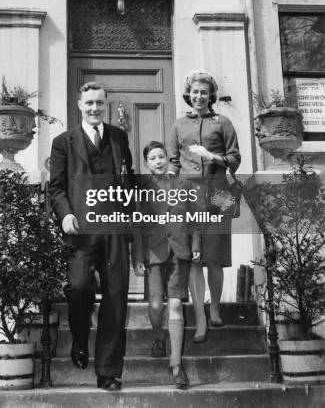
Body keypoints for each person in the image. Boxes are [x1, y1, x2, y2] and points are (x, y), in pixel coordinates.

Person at [49, 81, 133, 391]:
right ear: (79, 105)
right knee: (80, 286)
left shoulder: (119, 138)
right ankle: (81, 337)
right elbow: (55, 187)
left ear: (105, 103)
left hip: (114, 230)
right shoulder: (63, 142)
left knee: (115, 299)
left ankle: (108, 372)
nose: (95, 108)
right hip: (80, 231)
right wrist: (65, 214)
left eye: (99, 102)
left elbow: (127, 181)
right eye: (89, 103)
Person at [168, 71, 241, 343]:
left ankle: (215, 306)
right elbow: (174, 162)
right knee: (194, 257)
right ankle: (200, 318)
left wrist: (212, 156)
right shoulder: (178, 125)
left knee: (214, 256)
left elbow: (235, 159)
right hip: (188, 197)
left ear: (211, 95)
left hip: (219, 195)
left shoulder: (223, 122)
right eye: (195, 92)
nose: (199, 96)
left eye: (204, 92)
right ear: (189, 95)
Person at [132, 141, 201, 389]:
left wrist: (195, 246)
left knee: (174, 305)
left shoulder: (183, 185)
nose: (158, 161)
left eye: (161, 156)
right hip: (153, 252)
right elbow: (137, 225)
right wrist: (137, 257)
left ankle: (176, 365)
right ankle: (158, 335)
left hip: (178, 251)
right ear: (147, 163)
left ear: (167, 160)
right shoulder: (142, 188)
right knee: (154, 304)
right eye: (153, 158)